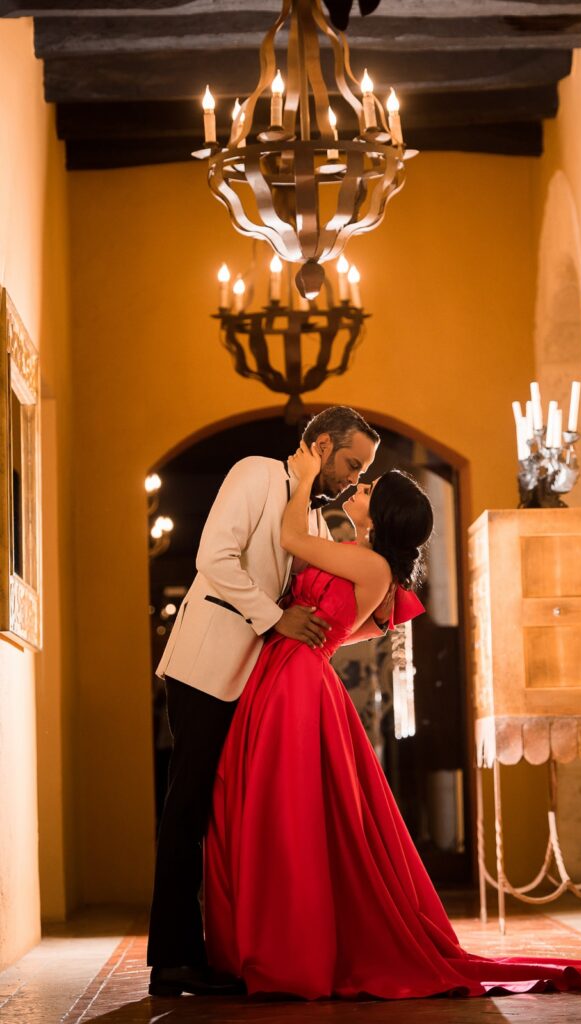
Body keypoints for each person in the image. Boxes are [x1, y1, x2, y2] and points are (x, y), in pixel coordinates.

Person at [203, 441, 581, 1000]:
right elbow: (324, 596)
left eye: (370, 489)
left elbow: (290, 541)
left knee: (288, 806)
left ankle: (285, 945)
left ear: (383, 514)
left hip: (298, 683)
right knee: (275, 801)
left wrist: (303, 477)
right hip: (291, 673)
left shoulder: (370, 565)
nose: (359, 487)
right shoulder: (359, 557)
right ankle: (270, 939)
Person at [148, 407, 382, 998]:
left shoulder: (316, 516)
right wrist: (276, 619)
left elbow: (322, 580)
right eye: (352, 463)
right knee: (189, 806)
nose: (353, 479)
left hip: (256, 682)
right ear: (322, 445)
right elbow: (213, 561)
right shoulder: (254, 473)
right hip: (206, 664)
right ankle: (172, 958)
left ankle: (231, 950)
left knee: (227, 817)